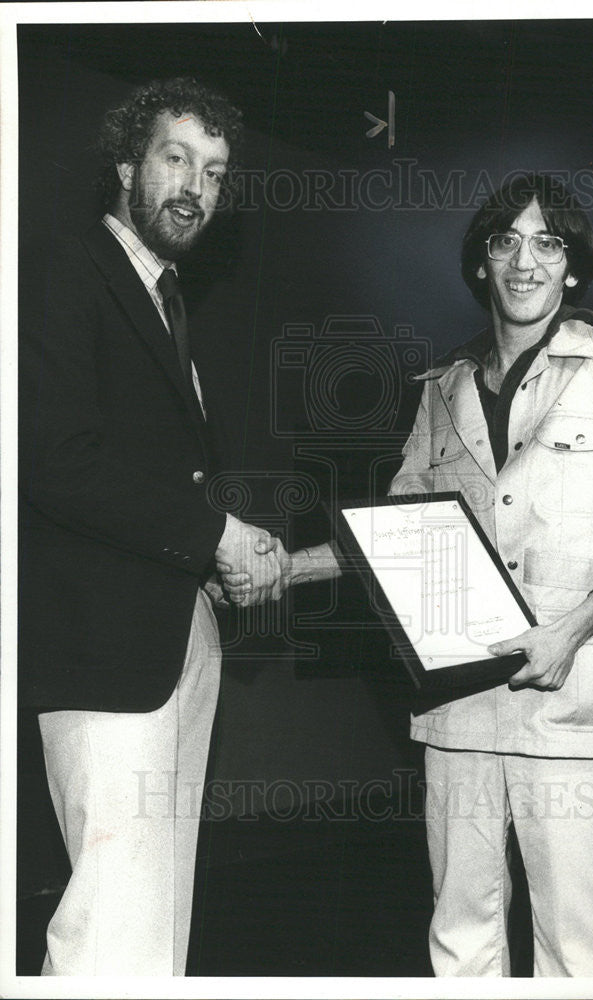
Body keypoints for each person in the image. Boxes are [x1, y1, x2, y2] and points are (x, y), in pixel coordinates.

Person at [221, 172, 593, 977]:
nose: (525, 262)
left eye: (548, 243)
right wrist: (276, 569)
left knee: (575, 946)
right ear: (480, 263)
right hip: (459, 708)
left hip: (570, 704)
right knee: (459, 936)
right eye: (504, 242)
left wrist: (570, 631)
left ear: (572, 266)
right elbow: (398, 537)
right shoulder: (441, 389)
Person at [19, 77, 287, 976]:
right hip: (104, 653)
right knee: (110, 924)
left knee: (157, 918)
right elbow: (55, 459)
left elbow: (154, 479)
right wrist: (217, 537)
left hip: (178, 636)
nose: (195, 188)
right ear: (128, 165)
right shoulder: (62, 273)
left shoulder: (168, 300)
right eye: (176, 160)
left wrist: (212, 558)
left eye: (214, 172)